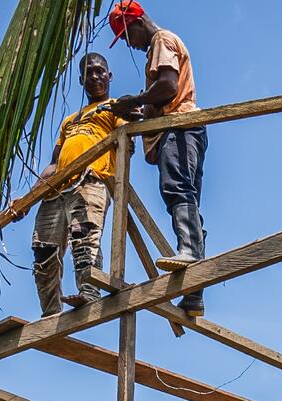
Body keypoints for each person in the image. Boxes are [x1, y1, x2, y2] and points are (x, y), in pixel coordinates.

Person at [107, 1, 207, 315]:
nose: (129, 43)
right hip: (182, 128)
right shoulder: (157, 48)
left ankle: (190, 253)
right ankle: (194, 292)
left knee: (177, 189)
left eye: (126, 35)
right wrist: (136, 109)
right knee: (186, 196)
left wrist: (135, 100)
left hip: (178, 128)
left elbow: (167, 86)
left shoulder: (161, 40)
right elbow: (159, 98)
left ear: (136, 22)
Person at [32, 52, 123, 317]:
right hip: (58, 189)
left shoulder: (115, 107)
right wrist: (29, 198)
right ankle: (50, 312)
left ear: (109, 75)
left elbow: (126, 141)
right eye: (89, 73)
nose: (95, 76)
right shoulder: (69, 121)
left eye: (100, 71)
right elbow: (53, 164)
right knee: (43, 250)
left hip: (90, 181)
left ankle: (89, 292)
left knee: (83, 240)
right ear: (82, 79)